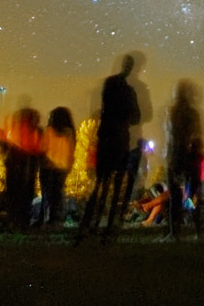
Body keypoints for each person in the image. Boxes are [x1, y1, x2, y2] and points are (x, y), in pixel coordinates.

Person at [77, 53, 142, 242]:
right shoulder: (130, 91)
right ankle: (109, 228)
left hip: (106, 137)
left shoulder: (109, 84)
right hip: (121, 140)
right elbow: (137, 117)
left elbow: (103, 105)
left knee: (100, 184)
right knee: (115, 187)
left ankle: (88, 225)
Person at [164, 79, 204, 238]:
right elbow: (196, 134)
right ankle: (198, 230)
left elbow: (170, 137)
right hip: (191, 158)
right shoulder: (193, 114)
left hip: (175, 156)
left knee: (174, 197)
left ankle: (174, 231)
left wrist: (169, 157)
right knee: (194, 195)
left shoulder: (172, 112)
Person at [2, 107, 43, 231]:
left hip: (16, 168)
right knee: (25, 196)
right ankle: (22, 222)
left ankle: (13, 221)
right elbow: (39, 150)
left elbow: (6, 148)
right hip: (28, 169)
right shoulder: (36, 131)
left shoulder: (13, 132)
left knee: (14, 196)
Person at [39, 107, 76, 228]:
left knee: (46, 195)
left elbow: (43, 148)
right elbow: (71, 150)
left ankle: (43, 218)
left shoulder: (49, 131)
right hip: (62, 168)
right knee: (57, 194)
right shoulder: (70, 132)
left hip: (48, 167)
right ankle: (54, 219)